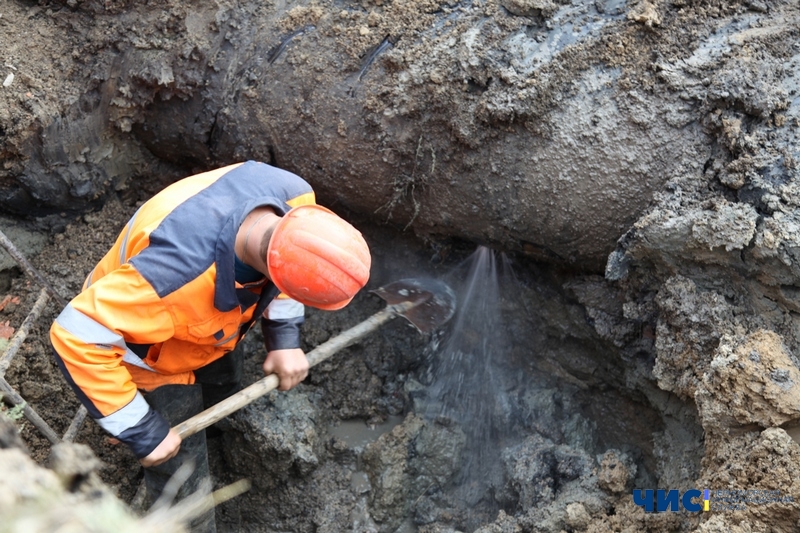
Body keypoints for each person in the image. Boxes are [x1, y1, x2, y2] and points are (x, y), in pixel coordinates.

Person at [49, 161, 371, 530]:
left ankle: (220, 434)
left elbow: (289, 271)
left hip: (215, 326)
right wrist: (143, 430)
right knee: (180, 472)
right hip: (146, 344)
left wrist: (283, 338)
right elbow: (75, 335)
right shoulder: (171, 277)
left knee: (223, 383)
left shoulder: (296, 199)